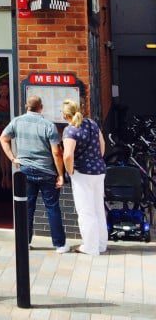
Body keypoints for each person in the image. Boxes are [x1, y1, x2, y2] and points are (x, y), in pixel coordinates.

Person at [0, 95, 69, 253]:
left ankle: (25, 242)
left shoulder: (17, 121)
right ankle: (60, 245)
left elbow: (3, 138)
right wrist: (60, 174)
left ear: (26, 106)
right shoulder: (48, 125)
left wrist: (12, 158)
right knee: (52, 208)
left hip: (25, 171)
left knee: (27, 208)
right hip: (46, 172)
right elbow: (56, 153)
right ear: (41, 107)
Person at [62, 99, 107, 255]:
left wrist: (70, 172)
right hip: (99, 171)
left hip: (82, 173)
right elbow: (102, 144)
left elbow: (67, 155)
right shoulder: (92, 124)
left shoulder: (70, 130)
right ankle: (101, 245)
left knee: (86, 211)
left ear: (65, 115)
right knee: (98, 209)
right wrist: (97, 160)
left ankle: (90, 247)